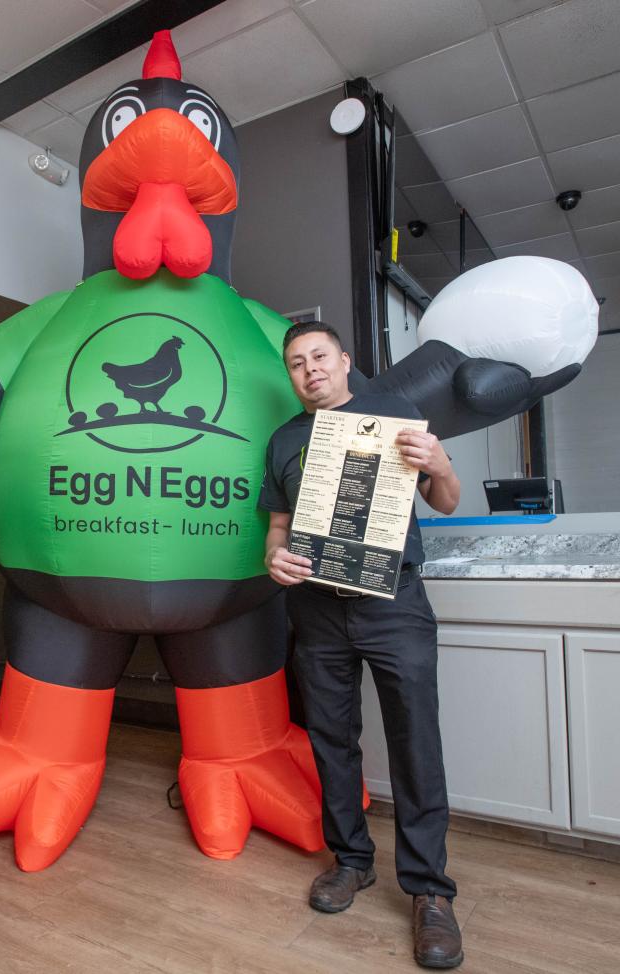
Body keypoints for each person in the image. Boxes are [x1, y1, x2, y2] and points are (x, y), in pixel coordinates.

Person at [259, 322, 464, 970]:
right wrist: (274, 560)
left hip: (393, 603)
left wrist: (440, 465)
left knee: (414, 742)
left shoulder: (396, 414)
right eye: (296, 363)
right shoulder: (285, 440)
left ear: (344, 361)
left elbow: (447, 501)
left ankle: (430, 892)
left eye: (319, 357)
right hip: (316, 609)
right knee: (331, 739)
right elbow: (278, 528)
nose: (309, 370)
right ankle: (351, 861)